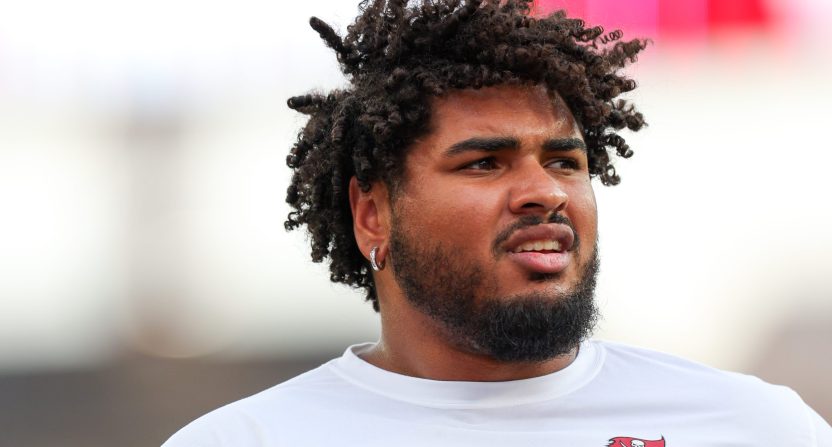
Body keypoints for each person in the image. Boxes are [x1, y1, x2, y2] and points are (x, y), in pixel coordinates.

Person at [163, 1, 831, 445]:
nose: (543, 192)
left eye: (566, 162)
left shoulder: (750, 428)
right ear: (373, 214)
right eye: (485, 164)